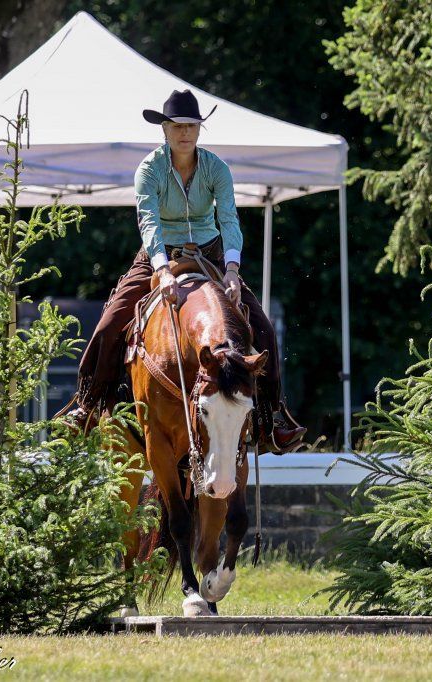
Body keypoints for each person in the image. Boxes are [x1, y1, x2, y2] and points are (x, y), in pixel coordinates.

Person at [59, 88, 306, 453]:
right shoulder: (149, 169)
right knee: (110, 322)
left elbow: (229, 219)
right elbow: (149, 223)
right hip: (159, 256)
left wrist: (234, 269)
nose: (184, 133)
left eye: (191, 126)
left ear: (200, 129)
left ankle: (273, 418)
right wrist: (162, 270)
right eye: (177, 126)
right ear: (164, 129)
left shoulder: (216, 168)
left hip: (213, 255)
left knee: (264, 328)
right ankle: (89, 404)